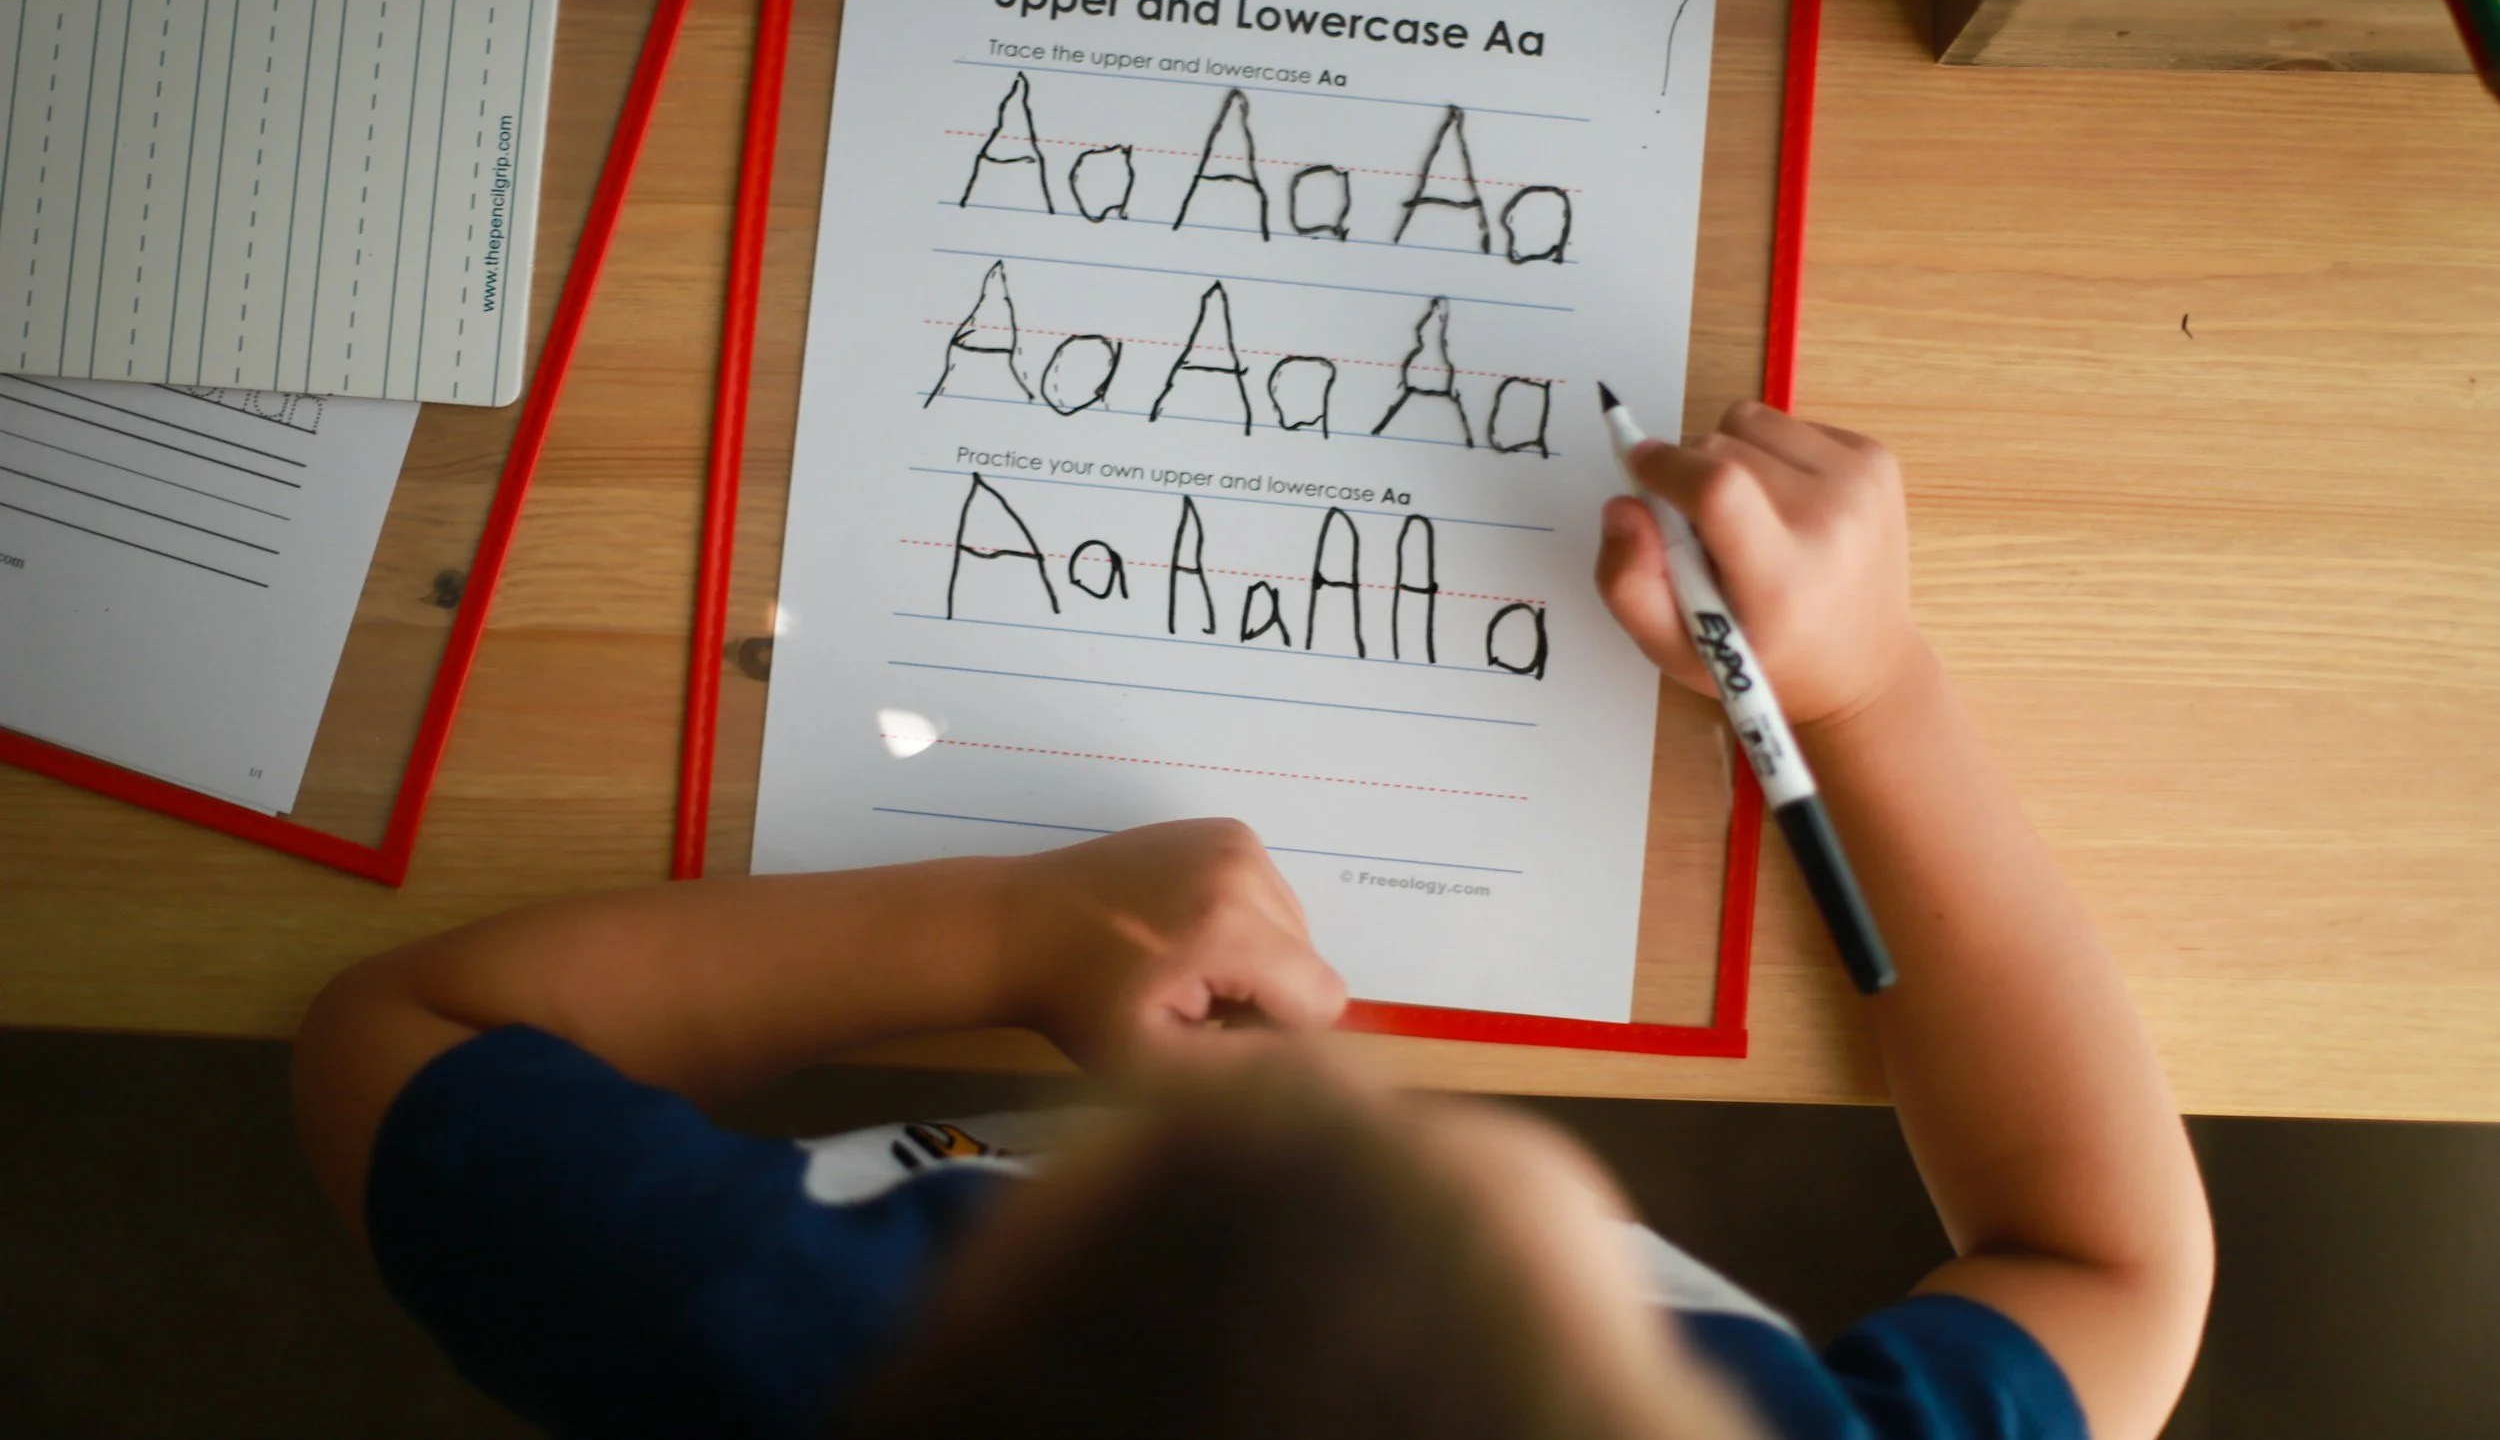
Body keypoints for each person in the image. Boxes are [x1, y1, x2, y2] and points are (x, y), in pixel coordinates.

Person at [294, 401, 2213, 1439]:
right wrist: (1871, 697)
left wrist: (1010, 937)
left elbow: (393, 1039)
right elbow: (2112, 1262)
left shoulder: (766, 1333)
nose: (1360, 1086)